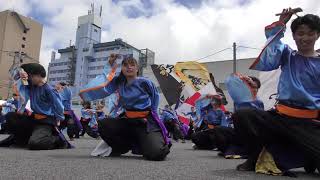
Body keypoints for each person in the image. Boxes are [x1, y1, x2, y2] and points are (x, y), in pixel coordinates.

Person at [233, 9, 320, 175]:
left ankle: (308, 156)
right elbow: (269, 58)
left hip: (309, 123)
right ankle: (256, 157)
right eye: (300, 33)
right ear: (294, 36)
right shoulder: (287, 55)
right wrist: (281, 25)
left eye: (310, 33)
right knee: (243, 115)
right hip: (281, 117)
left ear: (317, 35)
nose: (305, 38)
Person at [79, 55, 170, 161]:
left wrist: (153, 116)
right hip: (127, 119)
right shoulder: (119, 82)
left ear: (137, 69)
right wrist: (110, 64)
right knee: (104, 124)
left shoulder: (145, 82)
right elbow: (104, 84)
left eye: (132, 65)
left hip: (145, 121)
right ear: (122, 68)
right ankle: (121, 147)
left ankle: (146, 144)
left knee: (156, 153)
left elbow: (155, 98)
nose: (129, 67)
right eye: (125, 65)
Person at [0, 63, 71, 150]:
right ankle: (21, 139)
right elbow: (21, 86)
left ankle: (57, 140)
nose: (28, 79)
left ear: (38, 75)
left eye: (29, 76)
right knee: (10, 116)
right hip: (34, 119)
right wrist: (22, 75)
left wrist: (59, 118)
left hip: (45, 121)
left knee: (35, 144)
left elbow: (58, 106)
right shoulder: (31, 87)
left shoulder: (49, 90)